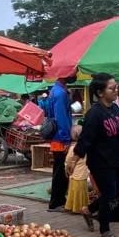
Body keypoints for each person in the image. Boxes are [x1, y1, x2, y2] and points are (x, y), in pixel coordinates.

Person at [74, 73, 119, 237]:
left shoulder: (115, 108)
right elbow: (85, 140)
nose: (116, 90)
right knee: (109, 194)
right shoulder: (94, 114)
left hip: (115, 158)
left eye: (116, 87)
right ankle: (105, 230)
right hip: (100, 161)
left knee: (117, 192)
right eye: (112, 88)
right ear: (100, 92)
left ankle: (88, 210)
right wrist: (73, 160)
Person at [46, 77, 73, 211]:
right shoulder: (60, 93)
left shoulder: (55, 90)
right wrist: (66, 139)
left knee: (59, 170)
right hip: (60, 138)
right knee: (61, 171)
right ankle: (56, 203)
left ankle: (58, 200)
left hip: (57, 137)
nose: (75, 74)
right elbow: (61, 117)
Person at [63, 126, 92, 216]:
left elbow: (68, 161)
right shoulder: (86, 146)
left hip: (75, 173)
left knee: (75, 191)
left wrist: (66, 169)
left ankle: (74, 207)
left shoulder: (73, 148)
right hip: (83, 172)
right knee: (82, 191)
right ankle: (82, 207)